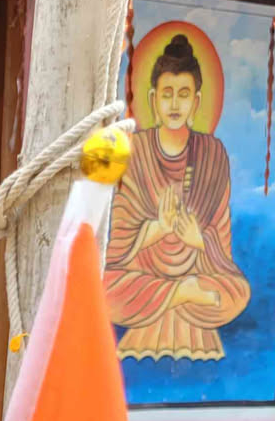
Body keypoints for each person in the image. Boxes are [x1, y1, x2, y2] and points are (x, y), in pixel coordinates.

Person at [105, 30, 251, 362]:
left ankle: (180, 293)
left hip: (197, 272)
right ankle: (181, 293)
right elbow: (116, 247)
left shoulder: (213, 154)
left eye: (183, 94)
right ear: (153, 99)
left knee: (238, 292)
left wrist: (199, 240)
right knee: (103, 288)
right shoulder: (135, 152)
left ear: (196, 102)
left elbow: (222, 247)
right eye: (167, 94)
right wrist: (157, 228)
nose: (174, 104)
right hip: (143, 274)